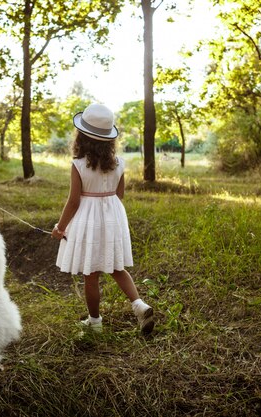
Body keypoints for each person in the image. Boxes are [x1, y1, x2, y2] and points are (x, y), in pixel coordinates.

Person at [51, 103, 155, 335]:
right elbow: (119, 195)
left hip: (89, 220)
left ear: (82, 137)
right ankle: (139, 305)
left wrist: (60, 227)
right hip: (113, 218)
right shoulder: (119, 163)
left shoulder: (78, 165)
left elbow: (74, 201)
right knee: (117, 267)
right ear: (109, 139)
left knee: (91, 275)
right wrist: (109, 214)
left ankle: (95, 323)